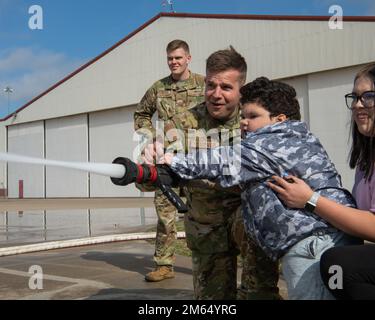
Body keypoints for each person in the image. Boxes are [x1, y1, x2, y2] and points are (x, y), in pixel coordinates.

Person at [160, 77, 360, 300]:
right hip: (330, 241)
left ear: (279, 120)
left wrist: (171, 161)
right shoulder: (298, 139)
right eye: (243, 116)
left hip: (313, 247)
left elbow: (222, 160)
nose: (244, 123)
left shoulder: (272, 142)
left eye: (253, 116)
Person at [161, 48, 280, 300]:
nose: (216, 95)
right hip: (206, 231)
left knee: (260, 296)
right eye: (210, 85)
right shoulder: (182, 124)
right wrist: (147, 171)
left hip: (250, 228)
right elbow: (159, 176)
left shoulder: (256, 121)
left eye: (226, 87)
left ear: (241, 89)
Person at [268, 63, 375, 300]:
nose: (358, 105)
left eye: (368, 96)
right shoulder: (366, 159)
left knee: (339, 264)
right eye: (355, 97)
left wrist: (311, 200)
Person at [134, 40, 205, 282]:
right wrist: (150, 140)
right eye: (170, 58)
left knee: (203, 214)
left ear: (188, 58)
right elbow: (141, 113)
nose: (174, 62)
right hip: (167, 161)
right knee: (165, 215)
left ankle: (207, 263)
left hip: (198, 161)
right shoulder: (159, 87)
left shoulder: (204, 85)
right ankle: (164, 265)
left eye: (178, 57)